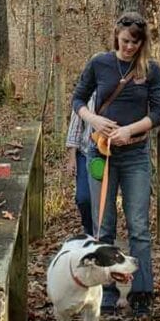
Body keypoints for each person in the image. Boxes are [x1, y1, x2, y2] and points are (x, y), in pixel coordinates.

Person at [71, 12, 160, 317]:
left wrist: (131, 130)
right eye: (125, 41)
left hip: (135, 155)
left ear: (143, 43)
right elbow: (78, 99)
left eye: (135, 43)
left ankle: (141, 292)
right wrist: (94, 119)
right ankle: (107, 291)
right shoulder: (99, 63)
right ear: (117, 36)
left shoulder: (150, 70)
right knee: (104, 224)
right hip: (101, 154)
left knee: (138, 225)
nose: (129, 48)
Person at [64, 91, 96, 236]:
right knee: (83, 198)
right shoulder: (86, 92)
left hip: (109, 156)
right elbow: (75, 128)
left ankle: (103, 236)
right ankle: (88, 230)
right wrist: (72, 158)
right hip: (85, 153)